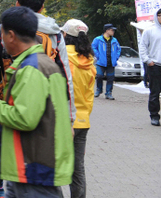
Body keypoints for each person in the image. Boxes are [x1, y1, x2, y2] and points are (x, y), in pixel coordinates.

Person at [0, 0, 75, 198]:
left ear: (17, 3)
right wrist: (71, 117)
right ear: (42, 7)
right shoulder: (55, 34)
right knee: (18, 178)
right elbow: (66, 74)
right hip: (49, 120)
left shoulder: (6, 33)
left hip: (10, 109)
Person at [61, 19, 95, 198]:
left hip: (64, 120)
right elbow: (90, 96)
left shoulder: (61, 57)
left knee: (55, 166)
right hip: (83, 121)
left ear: (65, 35)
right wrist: (83, 115)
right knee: (78, 168)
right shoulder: (89, 61)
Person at [139, 8, 161, 126]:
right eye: (160, 15)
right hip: (155, 66)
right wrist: (148, 60)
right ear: (156, 16)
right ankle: (154, 116)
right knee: (155, 92)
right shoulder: (150, 31)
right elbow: (143, 47)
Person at [91, 23, 121, 100]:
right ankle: (99, 89)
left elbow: (118, 49)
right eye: (112, 30)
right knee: (99, 76)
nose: (113, 31)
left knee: (110, 78)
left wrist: (116, 57)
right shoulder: (98, 39)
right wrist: (98, 56)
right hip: (101, 62)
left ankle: (108, 93)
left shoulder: (114, 40)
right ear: (107, 30)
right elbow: (93, 47)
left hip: (111, 62)